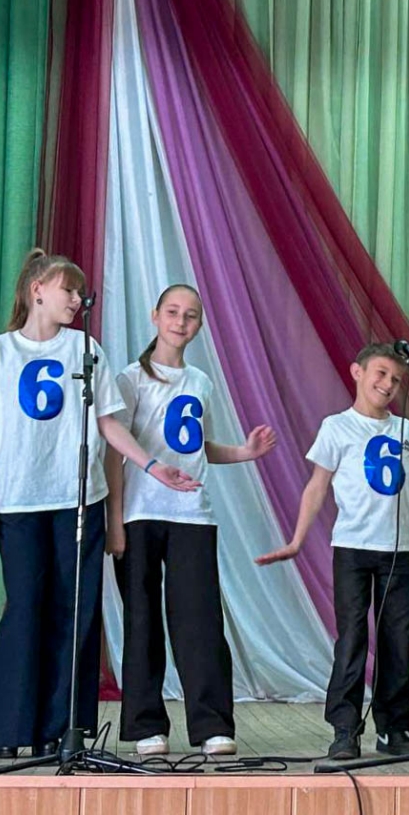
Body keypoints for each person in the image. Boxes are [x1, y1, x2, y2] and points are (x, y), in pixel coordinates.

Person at [0, 248, 197, 759]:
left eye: (79, 292)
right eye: (68, 290)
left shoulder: (85, 349)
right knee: (26, 607)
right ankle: (9, 727)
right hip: (20, 501)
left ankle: (62, 727)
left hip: (80, 500)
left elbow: (109, 423)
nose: (76, 300)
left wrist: (152, 465)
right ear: (37, 291)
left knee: (76, 611)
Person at [105, 284, 277, 757]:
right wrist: (115, 520)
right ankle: (145, 725)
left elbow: (199, 445)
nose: (181, 322)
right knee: (142, 620)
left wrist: (244, 452)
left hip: (192, 516)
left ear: (199, 325)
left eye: (191, 315)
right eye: (173, 312)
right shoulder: (129, 379)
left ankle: (212, 725)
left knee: (200, 621)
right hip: (140, 514)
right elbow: (114, 452)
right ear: (155, 316)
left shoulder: (200, 382)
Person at [256, 343, 409, 760]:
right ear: (357, 372)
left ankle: (393, 727)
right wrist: (297, 540)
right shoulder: (337, 427)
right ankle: (345, 727)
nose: (388, 384)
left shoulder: (406, 431)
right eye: (381, 373)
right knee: (353, 637)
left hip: (398, 551)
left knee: (398, 640)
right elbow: (317, 486)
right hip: (353, 548)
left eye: (396, 379)